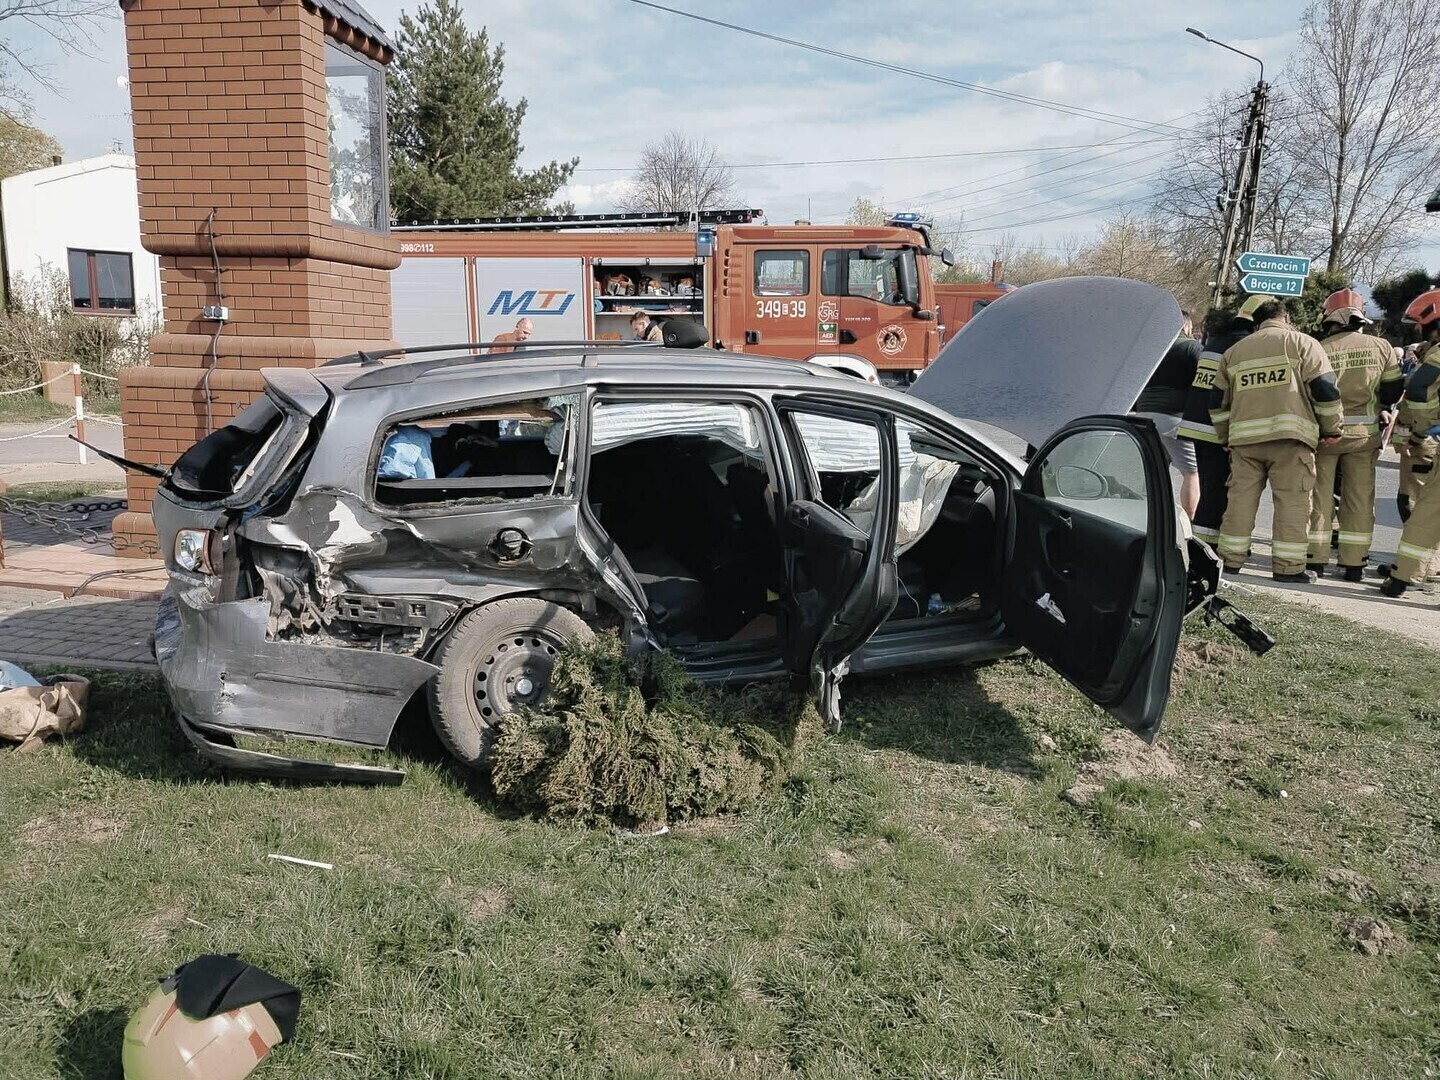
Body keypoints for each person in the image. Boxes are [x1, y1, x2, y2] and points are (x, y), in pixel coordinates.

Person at [1211, 298, 1344, 582]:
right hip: (1291, 441)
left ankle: (1230, 562)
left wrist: (1225, 436)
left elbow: (1217, 402)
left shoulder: (1234, 352)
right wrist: (1332, 429)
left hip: (1245, 442)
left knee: (1240, 501)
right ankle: (1288, 567)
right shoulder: (1303, 344)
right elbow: (1325, 391)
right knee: (1293, 503)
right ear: (1286, 319)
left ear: (1256, 322)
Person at [1305, 289, 1404, 580]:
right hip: (1364, 436)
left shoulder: (1318, 348)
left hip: (1325, 436)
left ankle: (1316, 559)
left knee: (1320, 499)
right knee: (1359, 499)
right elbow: (1393, 389)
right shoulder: (1382, 347)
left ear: (1329, 318)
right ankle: (1354, 564)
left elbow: (1309, 391)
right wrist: (1382, 408)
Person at [1177, 295, 1267, 547]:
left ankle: (1202, 541)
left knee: (1209, 486)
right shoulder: (1244, 346)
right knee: (1217, 491)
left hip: (1197, 425)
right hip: (1216, 427)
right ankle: (1206, 546)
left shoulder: (1218, 340)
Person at [1380, 288, 1440, 597]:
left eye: (1421, 324)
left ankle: (1405, 575)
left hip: (1426, 441)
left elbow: (1417, 392)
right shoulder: (1428, 353)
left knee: (1423, 512)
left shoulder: (1436, 355)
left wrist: (1419, 432)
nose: (1417, 330)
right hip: (1422, 439)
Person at [1132, 309, 1202, 519]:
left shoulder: (1150, 349)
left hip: (1144, 414)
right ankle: (1189, 521)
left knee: (1154, 469)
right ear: (1186, 325)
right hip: (1175, 417)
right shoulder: (1192, 348)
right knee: (1192, 473)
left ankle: (1148, 518)